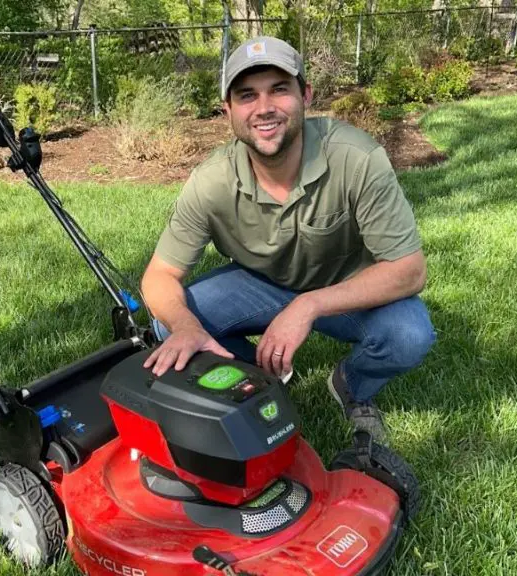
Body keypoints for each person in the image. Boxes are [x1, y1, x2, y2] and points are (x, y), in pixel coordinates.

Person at [138, 36, 435, 442]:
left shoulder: (356, 158)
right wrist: (187, 327)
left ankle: (353, 386)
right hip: (258, 285)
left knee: (409, 335)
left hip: (342, 287)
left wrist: (307, 305)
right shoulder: (211, 182)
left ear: (305, 95)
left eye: (279, 89)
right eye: (247, 96)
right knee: (168, 323)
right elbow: (158, 277)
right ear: (228, 111)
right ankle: (255, 381)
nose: (264, 108)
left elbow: (409, 271)